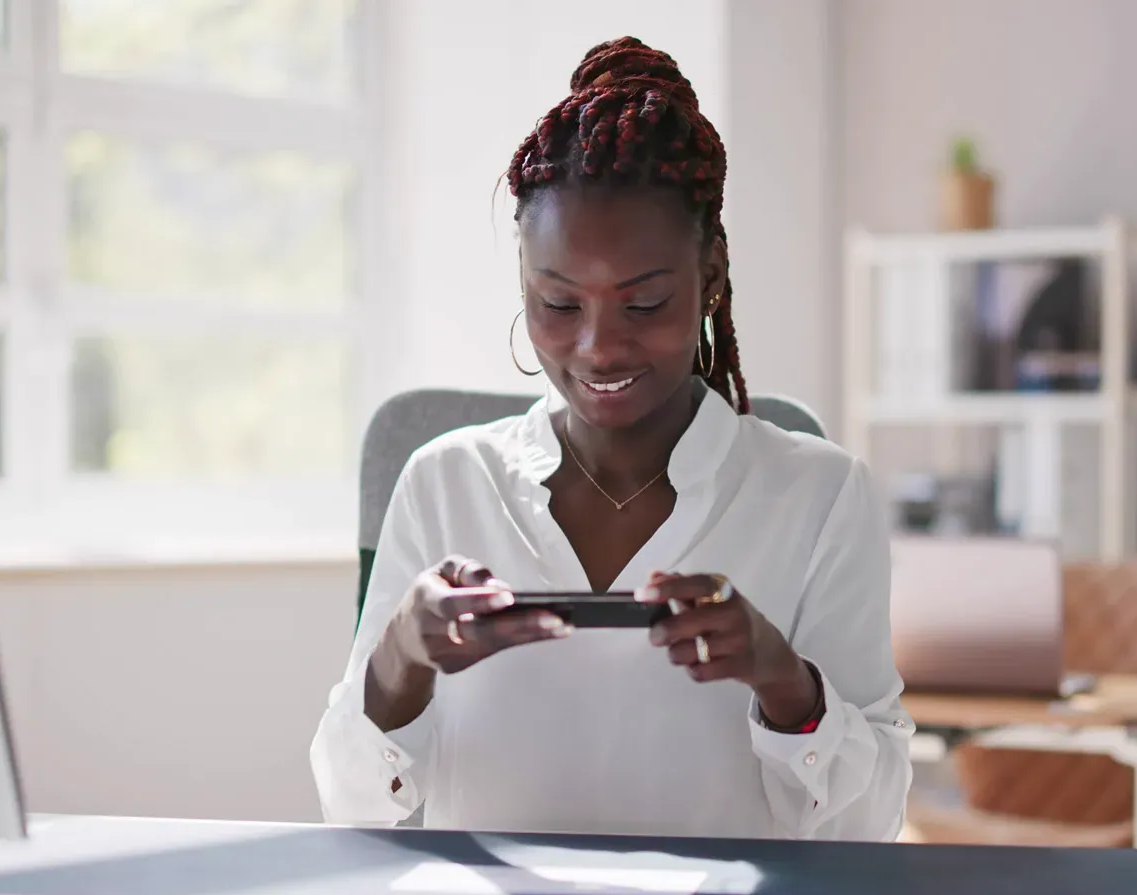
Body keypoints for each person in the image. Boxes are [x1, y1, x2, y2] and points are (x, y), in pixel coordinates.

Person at [311, 37, 913, 841]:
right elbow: (350, 808)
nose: (598, 348)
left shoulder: (820, 496)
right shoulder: (443, 483)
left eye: (644, 303)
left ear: (711, 275)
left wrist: (783, 681)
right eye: (559, 305)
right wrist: (398, 660)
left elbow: (870, 828)